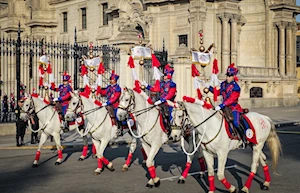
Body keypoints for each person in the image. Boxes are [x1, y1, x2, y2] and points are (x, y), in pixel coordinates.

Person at [207, 63, 246, 146]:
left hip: (233, 107)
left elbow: (231, 99)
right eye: (227, 75)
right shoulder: (224, 84)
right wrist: (209, 88)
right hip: (224, 107)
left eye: (230, 76)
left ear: (233, 76)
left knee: (235, 122)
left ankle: (243, 139)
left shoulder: (236, 87)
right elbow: (217, 93)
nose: (228, 77)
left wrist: (221, 105)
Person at [143, 64, 177, 134]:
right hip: (160, 102)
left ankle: (171, 128)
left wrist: (162, 100)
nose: (164, 76)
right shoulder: (162, 83)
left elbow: (170, 94)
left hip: (168, 102)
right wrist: (147, 86)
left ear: (169, 76)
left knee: (170, 114)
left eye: (165, 75)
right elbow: (155, 89)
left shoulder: (172, 84)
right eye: (164, 75)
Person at [98, 71, 122, 138]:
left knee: (117, 116)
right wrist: (98, 89)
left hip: (115, 105)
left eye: (112, 79)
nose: (111, 80)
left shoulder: (118, 88)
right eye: (110, 79)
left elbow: (115, 97)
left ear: (115, 80)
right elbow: (104, 92)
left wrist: (107, 103)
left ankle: (118, 127)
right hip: (108, 104)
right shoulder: (108, 87)